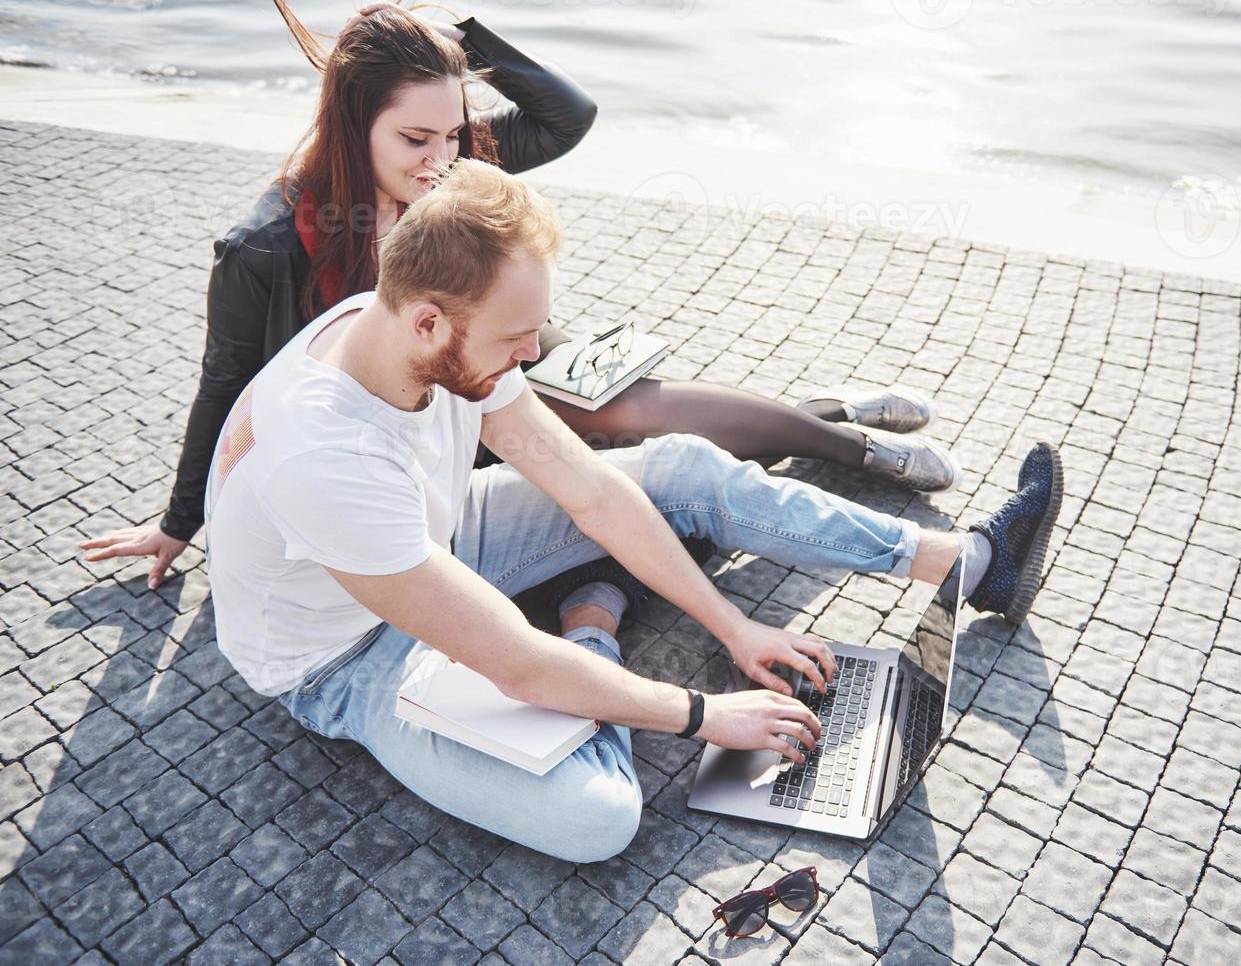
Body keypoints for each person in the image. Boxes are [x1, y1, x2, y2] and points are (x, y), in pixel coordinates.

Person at [201, 158, 1063, 863]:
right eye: (513, 338)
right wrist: (703, 712)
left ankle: (963, 563)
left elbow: (591, 487)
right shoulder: (327, 455)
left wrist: (733, 629)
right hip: (344, 656)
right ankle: (593, 615)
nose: (532, 355)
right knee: (595, 818)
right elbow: (517, 668)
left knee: (677, 469)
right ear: (428, 323)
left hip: (433, 536)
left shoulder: (405, 325)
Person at [79, 0, 956, 590]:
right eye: (415, 138)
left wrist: (460, 38)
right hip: (427, 427)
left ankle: (848, 446)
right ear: (352, 120)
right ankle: (824, 415)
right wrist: (179, 522)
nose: (438, 161)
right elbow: (224, 380)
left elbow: (565, 116)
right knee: (636, 465)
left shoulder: (450, 159)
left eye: (450, 134)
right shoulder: (266, 245)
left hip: (506, 370)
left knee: (627, 416)